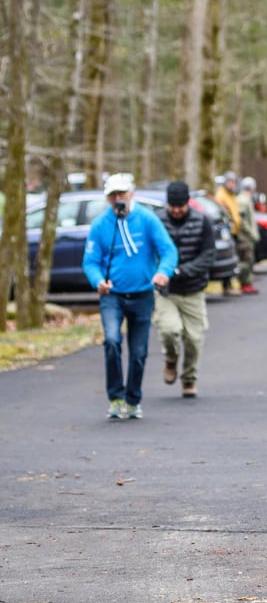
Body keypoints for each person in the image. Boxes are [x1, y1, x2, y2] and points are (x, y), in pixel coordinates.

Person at [82, 173, 178, 420]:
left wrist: (162, 273)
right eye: (113, 195)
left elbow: (168, 250)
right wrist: (97, 281)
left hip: (142, 294)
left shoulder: (146, 219)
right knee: (112, 340)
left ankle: (133, 399)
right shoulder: (101, 225)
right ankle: (116, 397)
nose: (118, 199)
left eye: (121, 194)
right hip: (112, 295)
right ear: (107, 198)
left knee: (138, 351)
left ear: (131, 194)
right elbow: (90, 261)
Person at [153, 181, 215, 398]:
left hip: (193, 289)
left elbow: (208, 255)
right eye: (173, 206)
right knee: (170, 330)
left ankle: (189, 379)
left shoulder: (202, 221)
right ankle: (170, 360)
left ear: (188, 202)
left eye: (181, 205)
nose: (177, 210)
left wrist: (181, 271)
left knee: (194, 338)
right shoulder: (157, 221)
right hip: (166, 291)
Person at [214, 171, 243, 295]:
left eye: (233, 182)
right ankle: (226, 286)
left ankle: (229, 284)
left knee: (233, 258)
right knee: (228, 258)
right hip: (227, 232)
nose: (232, 184)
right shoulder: (221, 195)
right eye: (230, 182)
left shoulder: (232, 194)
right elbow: (223, 213)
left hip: (234, 231)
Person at [235, 177, 261, 294]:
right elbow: (243, 220)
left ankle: (247, 283)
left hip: (246, 236)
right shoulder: (243, 200)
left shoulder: (245, 199)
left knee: (249, 259)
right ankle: (245, 283)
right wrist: (251, 233)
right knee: (247, 259)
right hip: (245, 237)